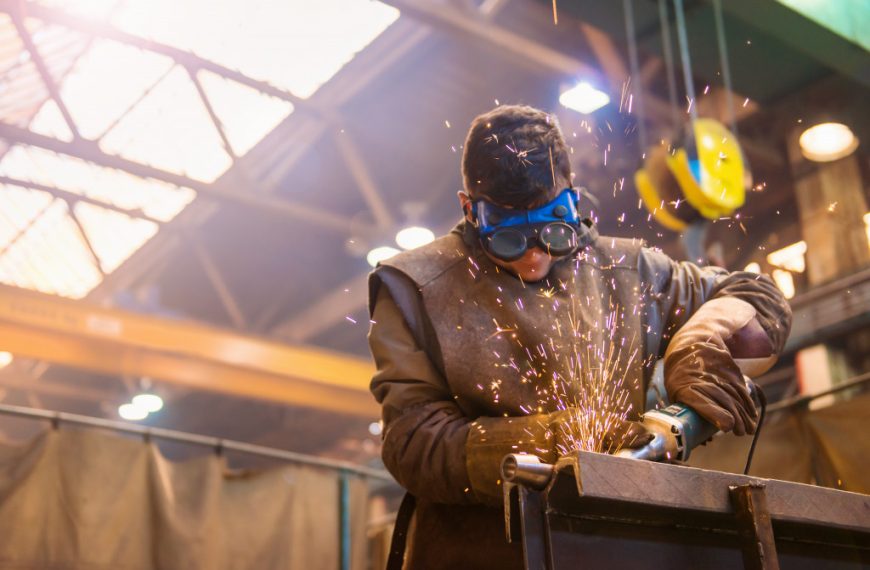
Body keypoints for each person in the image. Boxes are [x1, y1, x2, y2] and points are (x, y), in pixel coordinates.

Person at [366, 105, 792, 569]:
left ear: (571, 200)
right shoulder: (414, 286)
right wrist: (558, 439)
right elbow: (412, 442)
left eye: (552, 233)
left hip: (628, 547)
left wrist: (700, 340)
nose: (532, 259)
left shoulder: (628, 268)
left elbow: (756, 295)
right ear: (470, 209)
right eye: (508, 239)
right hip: (480, 554)